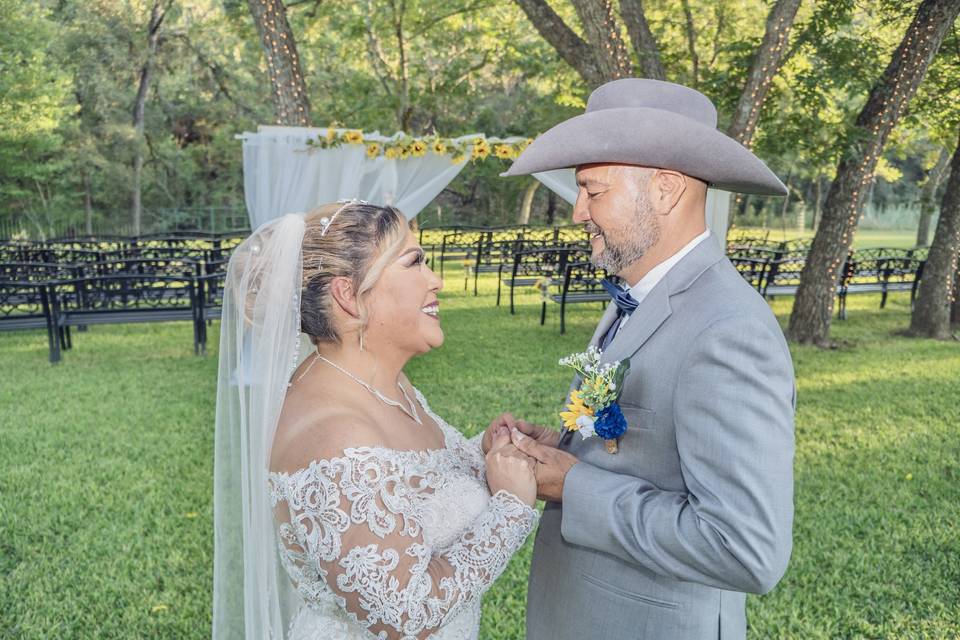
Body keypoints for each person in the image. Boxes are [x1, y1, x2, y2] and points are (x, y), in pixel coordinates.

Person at [498, 78, 797, 639]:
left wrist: (572, 485)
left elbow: (746, 548)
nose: (577, 213)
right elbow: (644, 451)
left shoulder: (728, 329)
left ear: (664, 190)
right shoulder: (638, 292)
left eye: (594, 191)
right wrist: (558, 446)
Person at [212, 201, 538, 640]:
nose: (435, 279)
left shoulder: (386, 383)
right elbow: (405, 614)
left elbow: (415, 477)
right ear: (349, 295)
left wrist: (483, 452)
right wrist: (511, 509)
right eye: (414, 262)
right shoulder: (335, 434)